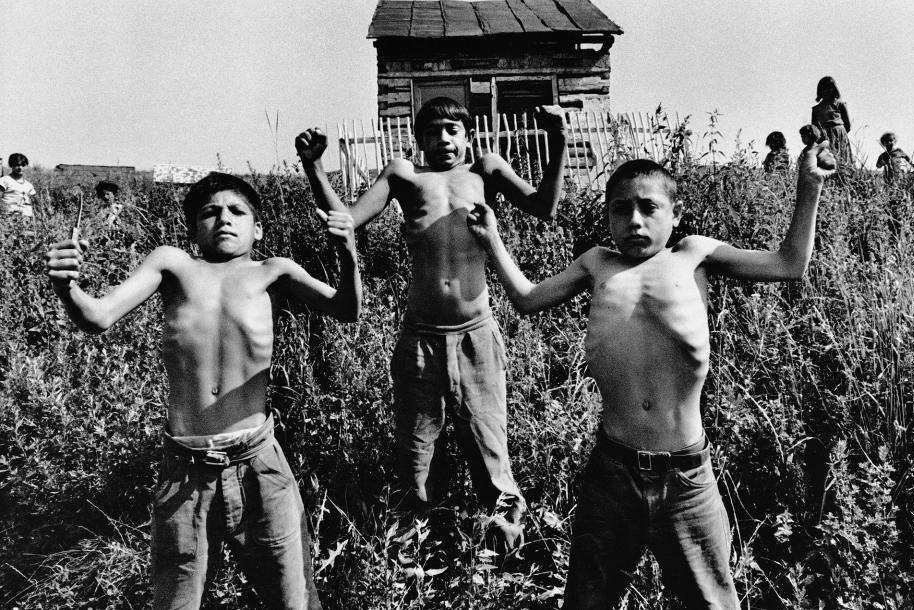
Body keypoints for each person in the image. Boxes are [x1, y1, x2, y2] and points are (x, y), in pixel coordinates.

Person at [466, 142, 835, 608]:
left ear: (675, 215)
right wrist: (492, 239)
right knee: (586, 601)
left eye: (649, 208)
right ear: (607, 218)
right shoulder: (597, 263)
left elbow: (788, 264)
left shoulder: (694, 256)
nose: (635, 221)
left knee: (714, 603)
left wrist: (809, 188)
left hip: (685, 477)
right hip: (612, 474)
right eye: (621, 210)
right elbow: (527, 298)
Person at [44, 172, 361, 609]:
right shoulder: (172, 264)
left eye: (237, 211)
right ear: (194, 228)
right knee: (177, 600)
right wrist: (68, 287)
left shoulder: (273, 271)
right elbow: (98, 317)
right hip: (185, 471)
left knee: (294, 599)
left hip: (258, 465)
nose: (224, 219)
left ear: (259, 227)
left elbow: (345, 309)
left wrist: (348, 256)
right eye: (209, 213)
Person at [295, 97, 569, 548]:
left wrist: (557, 141)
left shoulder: (486, 170)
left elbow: (545, 207)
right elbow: (345, 221)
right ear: (418, 139)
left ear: (468, 136)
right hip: (421, 338)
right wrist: (315, 167)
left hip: (476, 334)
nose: (443, 139)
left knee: (489, 443)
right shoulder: (404, 175)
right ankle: (413, 554)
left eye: (452, 130)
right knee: (417, 448)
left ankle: (504, 547)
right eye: (432, 131)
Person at [811, 76, 853, 166]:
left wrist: (839, 135)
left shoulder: (840, 104)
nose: (827, 91)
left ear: (834, 89)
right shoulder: (816, 109)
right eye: (824, 88)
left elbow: (848, 126)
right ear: (820, 91)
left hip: (840, 137)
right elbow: (814, 129)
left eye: (829, 87)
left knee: (842, 162)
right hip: (825, 140)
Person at [0, 153, 37, 217]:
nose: (20, 168)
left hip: (27, 220)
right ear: (11, 165)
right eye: (17, 165)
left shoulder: (29, 185)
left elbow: (34, 204)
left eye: (23, 165)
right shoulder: (4, 181)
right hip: (9, 218)